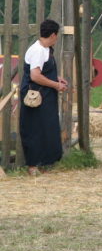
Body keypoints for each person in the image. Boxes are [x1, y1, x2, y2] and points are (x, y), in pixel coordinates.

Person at [19, 19, 68, 176]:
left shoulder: (47, 49)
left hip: (45, 96)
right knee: (35, 130)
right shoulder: (38, 50)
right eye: (57, 35)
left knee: (47, 128)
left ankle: (44, 163)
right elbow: (35, 76)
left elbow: (45, 70)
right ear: (53, 35)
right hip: (35, 96)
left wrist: (57, 77)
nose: (57, 38)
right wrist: (55, 85)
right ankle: (33, 166)